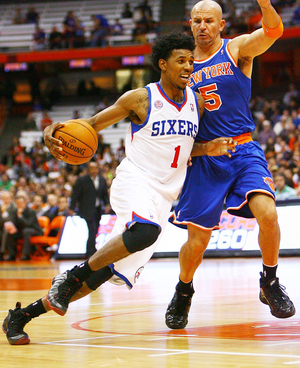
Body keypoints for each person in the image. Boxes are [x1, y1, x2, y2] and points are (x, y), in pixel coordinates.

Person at [2, 31, 236, 345]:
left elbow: (180, 147)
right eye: (182, 60)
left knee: (99, 275)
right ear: (163, 64)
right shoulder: (140, 98)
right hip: (135, 179)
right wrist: (50, 130)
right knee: (145, 231)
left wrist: (207, 149)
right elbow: (90, 126)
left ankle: (22, 315)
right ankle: (69, 276)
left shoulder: (196, 101)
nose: (188, 66)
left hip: (165, 195)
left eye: (191, 61)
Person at [165, 0, 295, 331]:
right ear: (190, 25)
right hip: (206, 159)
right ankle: (184, 290)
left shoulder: (236, 49)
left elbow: (272, 32)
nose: (202, 26)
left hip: (243, 150)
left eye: (209, 20)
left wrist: (266, 6)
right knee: (198, 241)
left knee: (268, 213)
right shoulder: (180, 66)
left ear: (221, 25)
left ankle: (269, 281)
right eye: (197, 20)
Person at [69, 161, 110, 257]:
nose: (94, 170)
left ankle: (91, 250)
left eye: (96, 168)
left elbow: (104, 194)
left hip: (98, 209)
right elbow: (75, 195)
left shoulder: (102, 180)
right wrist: (72, 207)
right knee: (92, 229)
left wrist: (107, 204)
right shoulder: (82, 180)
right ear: (88, 170)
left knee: (95, 230)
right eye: (92, 168)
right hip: (86, 209)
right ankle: (90, 253)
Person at [1, 192, 43, 261]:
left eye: (21, 203)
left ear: (25, 203)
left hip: (35, 230)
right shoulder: (15, 211)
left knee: (26, 231)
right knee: (10, 233)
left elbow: (28, 224)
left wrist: (20, 216)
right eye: (17, 204)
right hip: (22, 231)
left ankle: (26, 254)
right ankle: (12, 254)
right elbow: (12, 223)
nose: (19, 205)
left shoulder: (30, 211)